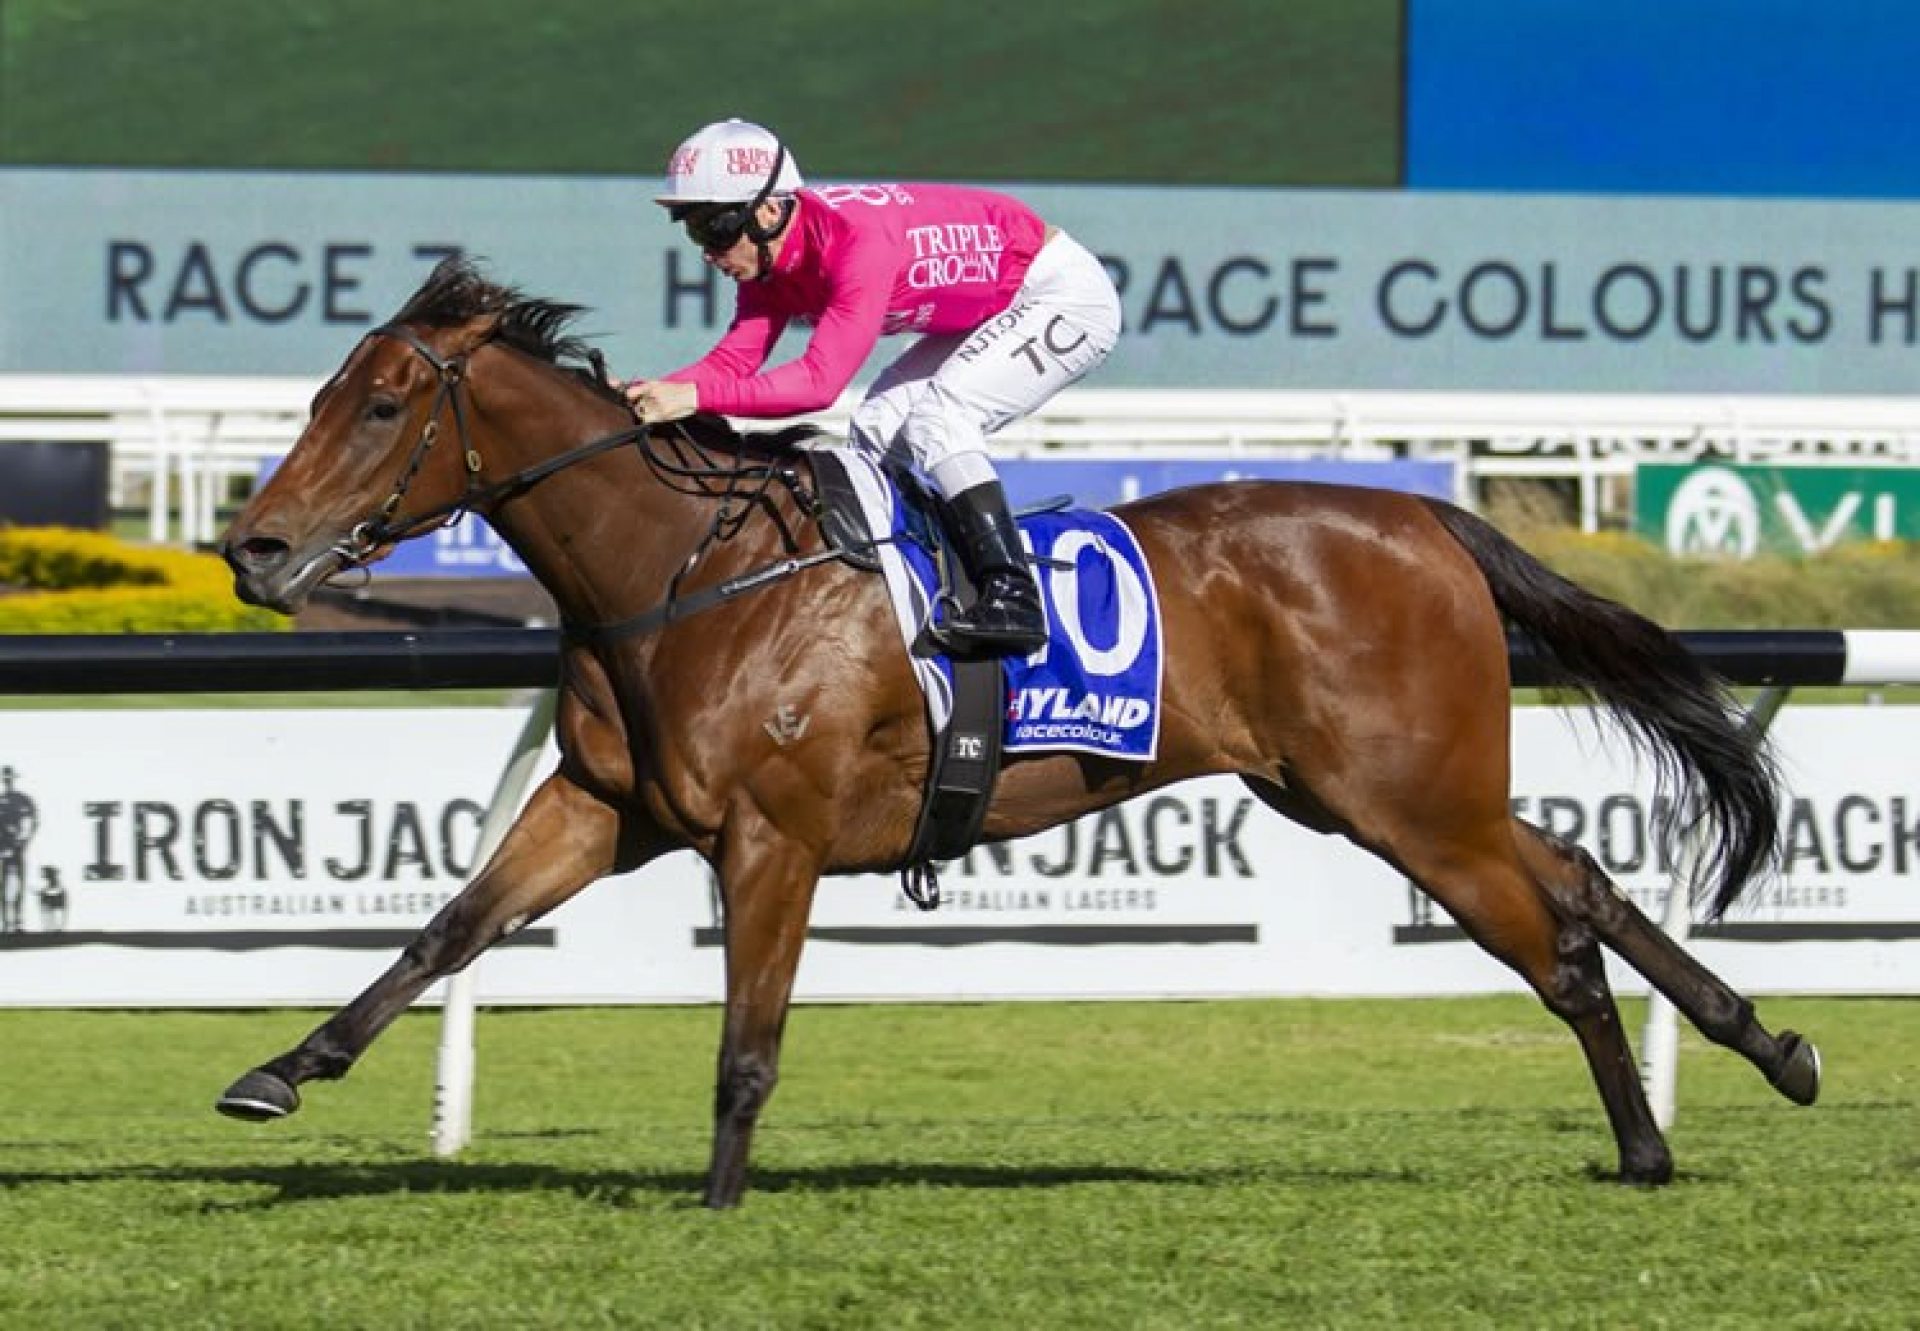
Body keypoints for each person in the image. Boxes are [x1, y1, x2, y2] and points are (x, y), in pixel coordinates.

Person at [624, 118, 1122, 659]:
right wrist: (638, 394)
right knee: (878, 427)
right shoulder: (772, 262)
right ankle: (923, 582)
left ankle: (1014, 596)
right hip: (992, 308)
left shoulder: (857, 243)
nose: (707, 253)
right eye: (693, 231)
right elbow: (734, 361)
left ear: (768, 211)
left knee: (941, 420)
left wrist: (692, 398)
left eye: (714, 230)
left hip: (1060, 296)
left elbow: (820, 383)